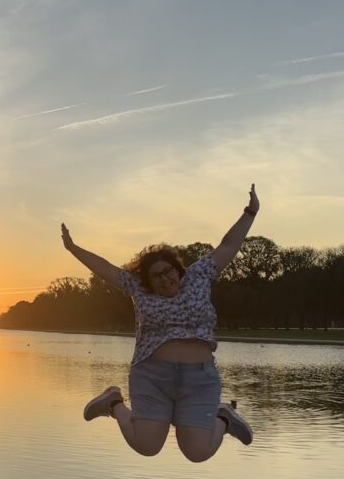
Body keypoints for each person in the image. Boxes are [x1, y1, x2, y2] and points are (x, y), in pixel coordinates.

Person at [61, 184, 259, 463]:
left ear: (177, 268)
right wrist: (72, 248)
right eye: (157, 276)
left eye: (168, 271)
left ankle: (224, 418)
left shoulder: (198, 275)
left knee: (197, 452)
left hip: (199, 380)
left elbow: (228, 245)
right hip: (153, 377)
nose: (166, 279)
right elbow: (105, 268)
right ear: (148, 281)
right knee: (147, 446)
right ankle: (114, 403)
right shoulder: (138, 289)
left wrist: (250, 212)